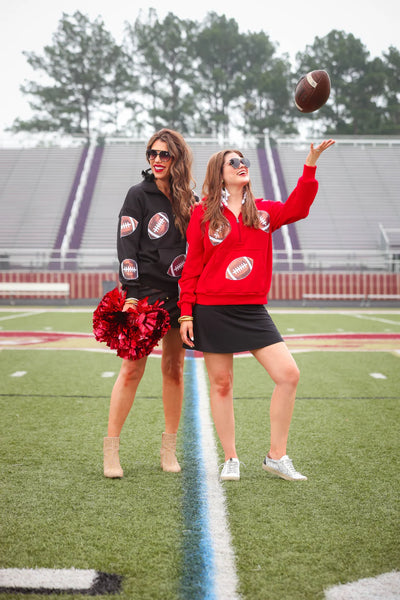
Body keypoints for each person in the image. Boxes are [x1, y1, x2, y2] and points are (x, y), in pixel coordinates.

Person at [178, 140, 335, 482]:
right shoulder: (202, 214)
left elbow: (299, 207)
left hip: (252, 310)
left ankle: (276, 456)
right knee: (222, 384)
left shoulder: (262, 213)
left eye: (243, 160)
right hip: (212, 308)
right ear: (219, 174)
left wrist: (310, 162)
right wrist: (186, 313)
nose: (240, 165)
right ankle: (231, 457)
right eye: (232, 162)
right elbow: (192, 266)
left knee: (288, 375)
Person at [103, 128, 197, 478]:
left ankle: (168, 450)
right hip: (143, 293)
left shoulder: (188, 198)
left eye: (164, 155)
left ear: (177, 158)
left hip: (179, 294)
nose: (157, 160)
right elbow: (126, 245)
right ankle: (111, 450)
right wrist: (129, 294)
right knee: (132, 369)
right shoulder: (137, 194)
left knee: (174, 369)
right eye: (152, 154)